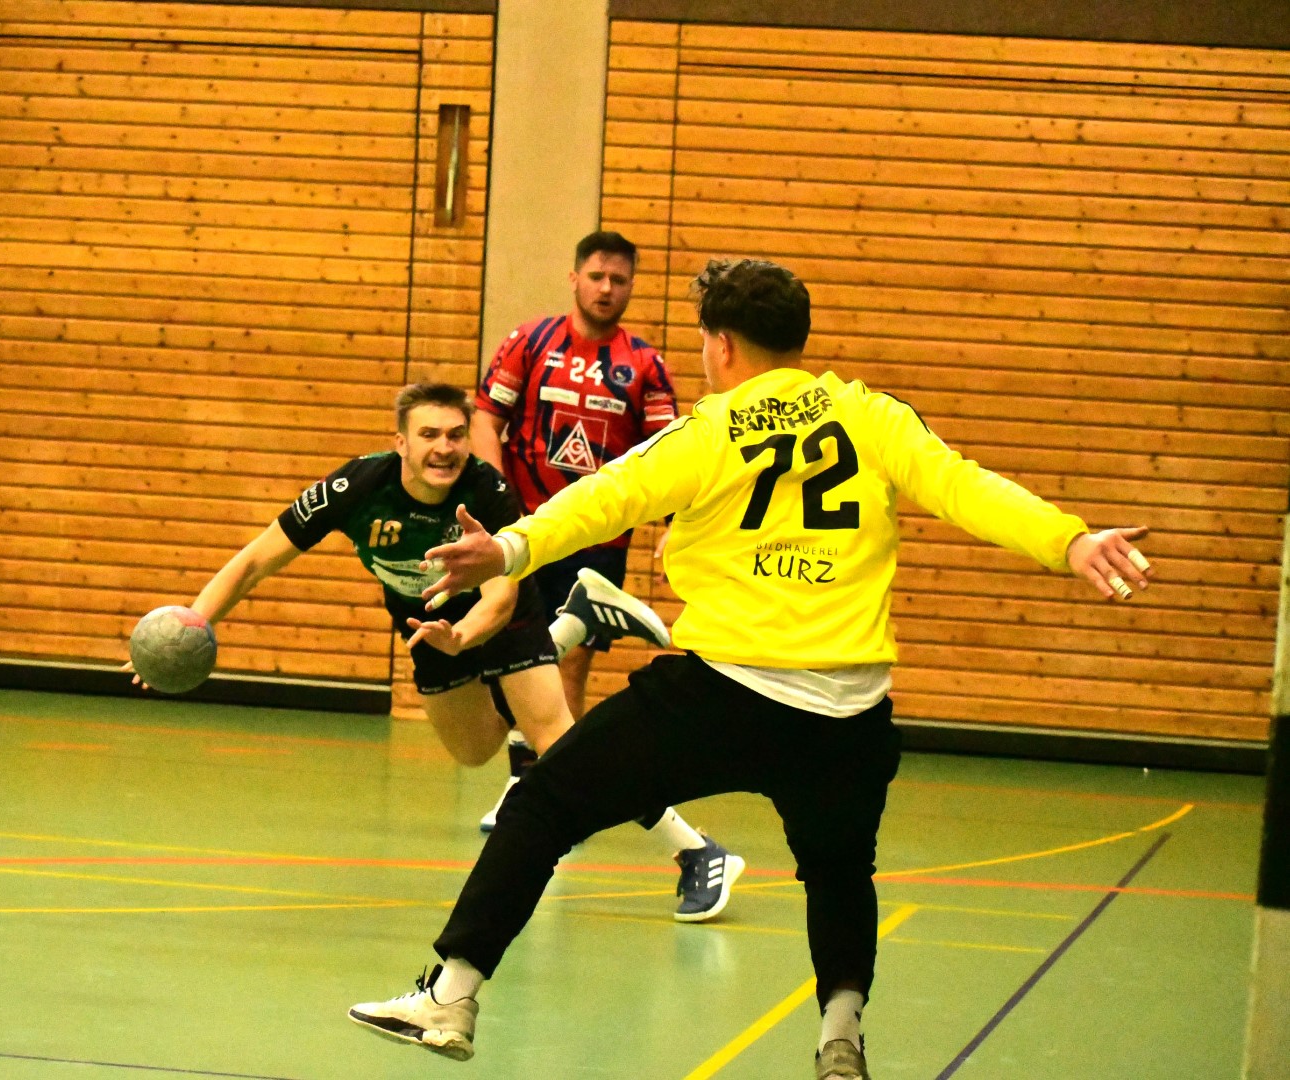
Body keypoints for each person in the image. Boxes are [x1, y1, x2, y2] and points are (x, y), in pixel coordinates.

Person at [346, 261, 1156, 1078]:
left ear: (722, 344)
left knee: (545, 802)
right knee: (840, 873)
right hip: (851, 714)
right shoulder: (872, 415)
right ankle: (841, 1038)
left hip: (724, 697)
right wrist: (1070, 541)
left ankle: (451, 996)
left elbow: (607, 496)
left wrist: (509, 547)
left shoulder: (709, 431)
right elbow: (965, 487)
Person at [133, 381, 744, 922]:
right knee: (474, 750)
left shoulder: (487, 492)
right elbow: (255, 561)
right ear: (400, 442)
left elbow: (502, 598)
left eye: (455, 435)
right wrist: (191, 625)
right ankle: (576, 624)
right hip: (426, 625)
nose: (444, 448)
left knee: (561, 746)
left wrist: (465, 637)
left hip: (498, 620)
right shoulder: (354, 488)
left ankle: (697, 852)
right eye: (429, 435)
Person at [470, 230, 680, 829]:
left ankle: (541, 790)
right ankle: (529, 784)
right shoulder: (532, 341)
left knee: (569, 666)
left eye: (619, 280)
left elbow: (668, 453)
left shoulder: (645, 365)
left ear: (631, 287)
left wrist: (674, 524)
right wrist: (500, 505)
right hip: (527, 532)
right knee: (517, 657)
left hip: (598, 541)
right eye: (596, 277)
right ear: (574, 278)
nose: (606, 288)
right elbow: (486, 417)